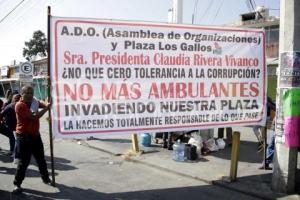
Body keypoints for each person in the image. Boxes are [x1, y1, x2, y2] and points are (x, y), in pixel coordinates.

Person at [12, 85, 52, 194]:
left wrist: (49, 102)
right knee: (24, 162)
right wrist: (46, 108)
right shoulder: (20, 105)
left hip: (35, 135)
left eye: (31, 92)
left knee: (41, 159)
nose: (29, 95)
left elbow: (44, 104)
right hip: (24, 137)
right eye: (27, 93)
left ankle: (46, 178)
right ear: (22, 94)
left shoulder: (34, 101)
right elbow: (34, 117)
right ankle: (17, 184)